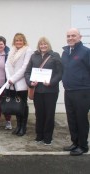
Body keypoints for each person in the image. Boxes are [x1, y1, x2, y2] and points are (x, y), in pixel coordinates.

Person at [24, 37, 63, 145]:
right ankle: (39, 135)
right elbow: (27, 72)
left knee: (49, 114)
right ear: (38, 46)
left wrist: (51, 82)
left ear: (48, 45)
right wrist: (30, 82)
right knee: (39, 114)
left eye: (45, 44)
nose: (43, 46)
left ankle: (48, 137)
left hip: (51, 91)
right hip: (38, 91)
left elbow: (59, 73)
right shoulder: (34, 56)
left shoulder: (55, 56)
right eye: (41, 44)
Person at [61, 28, 90, 156]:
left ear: (80, 37)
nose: (70, 38)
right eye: (68, 36)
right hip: (69, 90)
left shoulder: (85, 52)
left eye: (73, 35)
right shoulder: (65, 52)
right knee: (71, 118)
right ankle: (75, 142)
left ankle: (83, 145)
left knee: (81, 119)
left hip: (82, 91)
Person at [5, 33, 33, 136]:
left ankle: (23, 127)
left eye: (20, 40)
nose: (18, 42)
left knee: (23, 105)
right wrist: (9, 78)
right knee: (16, 105)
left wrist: (14, 78)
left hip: (21, 83)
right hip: (11, 83)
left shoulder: (27, 50)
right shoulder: (11, 50)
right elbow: (7, 65)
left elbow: (25, 67)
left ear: (24, 41)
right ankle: (18, 125)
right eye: (16, 40)